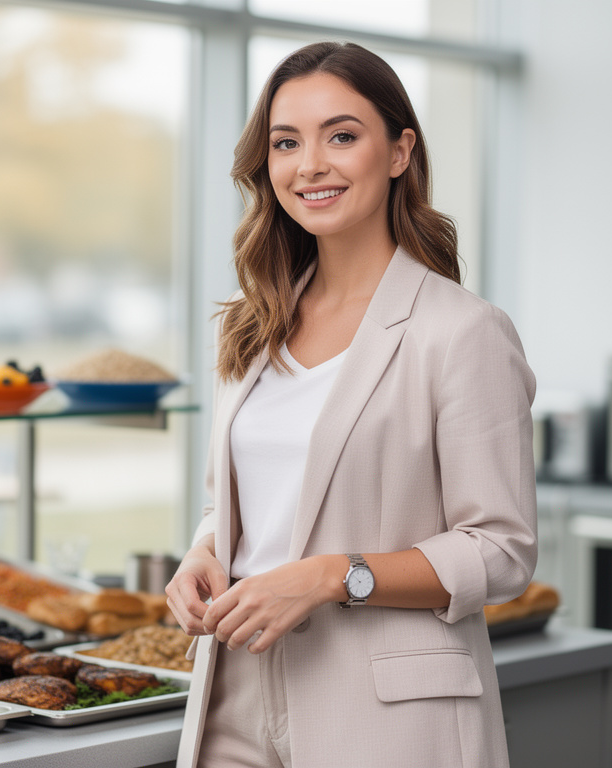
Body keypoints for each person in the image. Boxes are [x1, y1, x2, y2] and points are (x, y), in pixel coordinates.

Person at [165, 41, 537, 768]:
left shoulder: (462, 332)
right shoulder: (252, 322)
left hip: (388, 710)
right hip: (235, 687)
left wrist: (334, 575)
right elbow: (238, 502)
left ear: (400, 151)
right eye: (286, 142)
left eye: (341, 135)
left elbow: (501, 550)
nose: (311, 165)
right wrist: (201, 554)